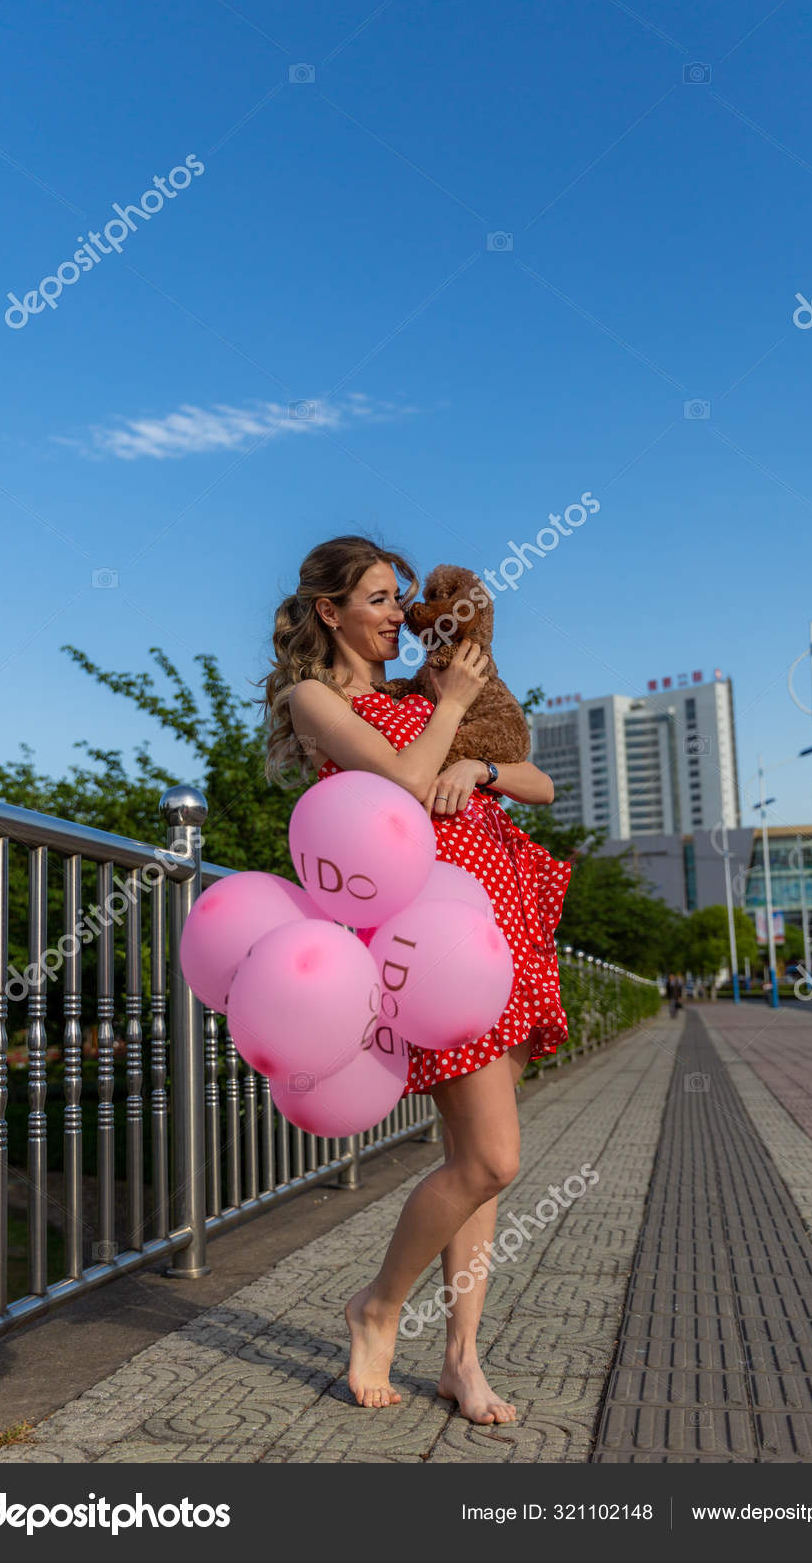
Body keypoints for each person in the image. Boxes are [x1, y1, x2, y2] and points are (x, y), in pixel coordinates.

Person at [260, 536, 571, 1426]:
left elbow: (538, 782)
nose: (401, 613)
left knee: (479, 1170)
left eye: (402, 596)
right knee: (491, 1157)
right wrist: (454, 707)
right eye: (380, 598)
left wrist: (478, 762)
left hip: (498, 925)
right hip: (428, 944)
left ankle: (463, 1361)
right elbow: (398, 779)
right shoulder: (315, 699)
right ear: (331, 611)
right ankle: (378, 1305)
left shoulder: (421, 693)